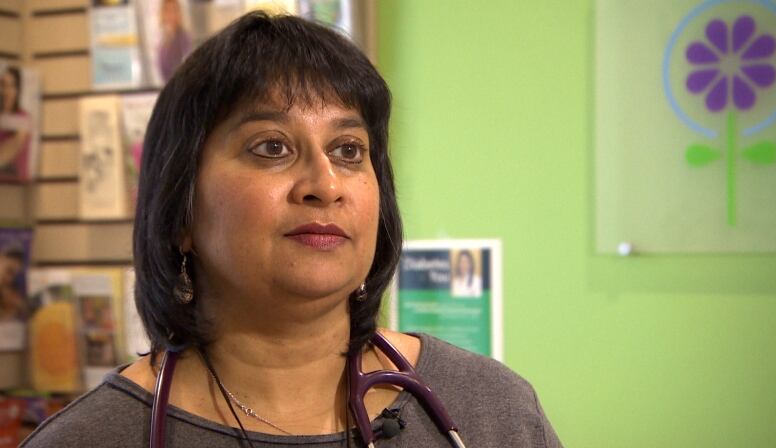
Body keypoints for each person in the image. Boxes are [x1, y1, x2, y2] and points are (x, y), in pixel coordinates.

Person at [20, 12, 562, 448]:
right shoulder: (92, 438)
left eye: (349, 151)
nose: (325, 184)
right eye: (272, 147)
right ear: (180, 207)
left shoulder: (495, 413)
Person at [0, 66, 31, 182]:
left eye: (11, 86)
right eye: (3, 85)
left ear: (17, 90)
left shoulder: (23, 118)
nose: (6, 91)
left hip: (14, 176)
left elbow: (15, 145)